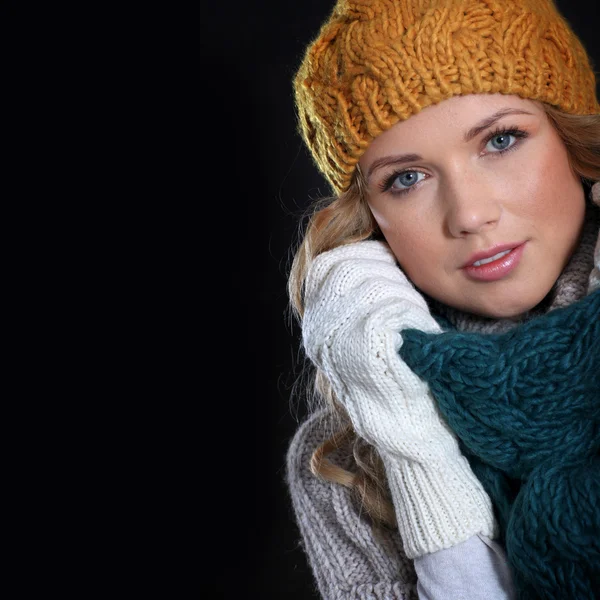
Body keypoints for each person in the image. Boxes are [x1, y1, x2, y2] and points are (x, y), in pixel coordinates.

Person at [284, 1, 600, 599]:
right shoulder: (343, 456)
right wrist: (414, 452)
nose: (470, 214)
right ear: (369, 221)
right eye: (407, 178)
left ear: (572, 138)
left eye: (501, 140)